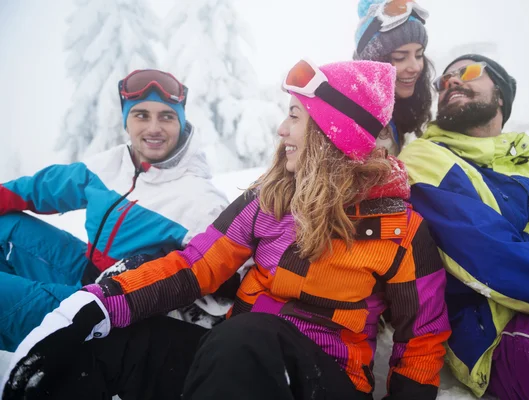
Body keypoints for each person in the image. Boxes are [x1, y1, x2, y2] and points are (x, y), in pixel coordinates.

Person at [2, 60, 450, 400]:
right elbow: (195, 266)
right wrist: (99, 305)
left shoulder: (401, 230)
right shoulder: (269, 199)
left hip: (323, 379)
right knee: (112, 341)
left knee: (250, 334)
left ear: (332, 133)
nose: (281, 128)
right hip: (235, 367)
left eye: (295, 115)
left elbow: (423, 338)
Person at [398, 54, 529, 400]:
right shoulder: (427, 157)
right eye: (443, 81)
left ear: (501, 94)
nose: (453, 82)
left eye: (468, 72)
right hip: (499, 326)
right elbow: (493, 260)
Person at [0, 69, 229, 351]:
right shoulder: (115, 163)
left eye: (166, 116)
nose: (153, 128)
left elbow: (224, 295)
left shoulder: (201, 202)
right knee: (4, 227)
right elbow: (44, 188)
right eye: (141, 115)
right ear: (127, 121)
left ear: (181, 122)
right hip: (86, 271)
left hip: (118, 310)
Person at [354, 0, 433, 153]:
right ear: (373, 63)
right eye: (400, 57)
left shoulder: (400, 107)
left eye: (419, 55)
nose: (415, 67)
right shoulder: (355, 122)